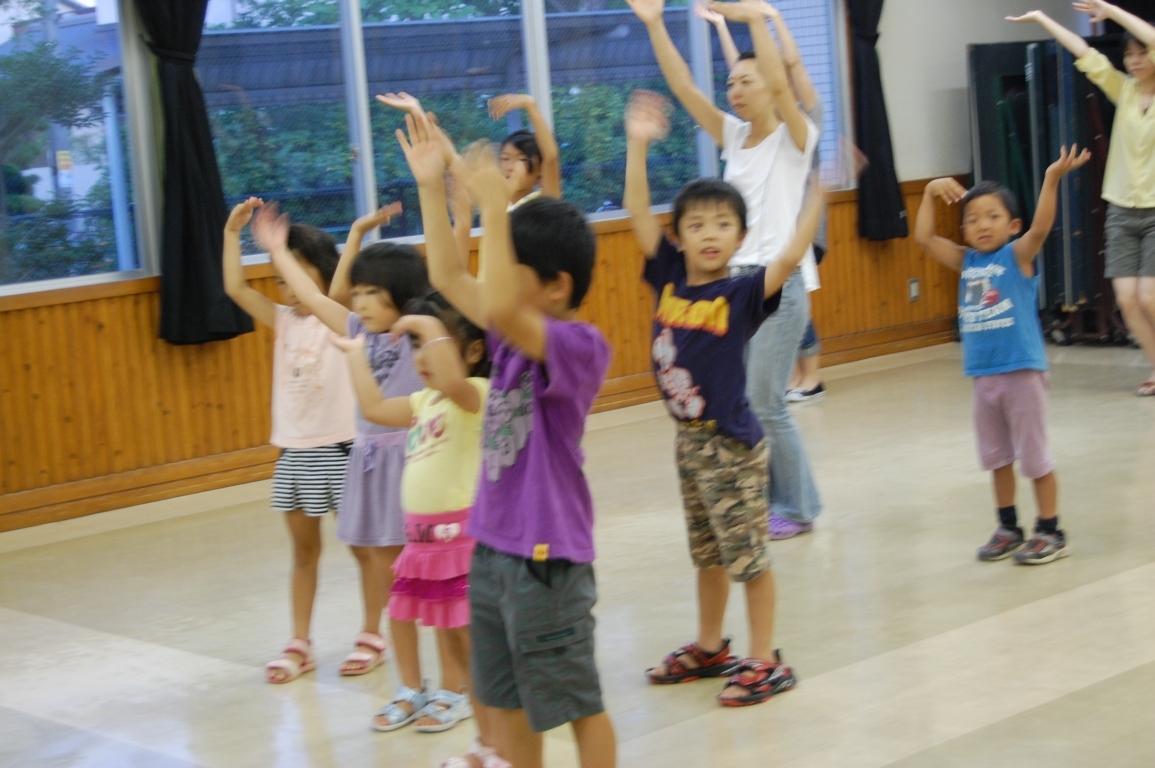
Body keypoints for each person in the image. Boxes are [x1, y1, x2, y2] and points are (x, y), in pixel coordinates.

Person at [396, 111, 617, 768]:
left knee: (576, 703)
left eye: (507, 265)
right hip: (492, 549)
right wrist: (433, 187)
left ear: (556, 286)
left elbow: (492, 302)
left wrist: (495, 208)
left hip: (547, 560)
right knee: (508, 703)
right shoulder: (508, 337)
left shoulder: (577, 345)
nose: (493, 275)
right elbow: (446, 276)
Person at [624, 90, 821, 706]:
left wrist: (816, 197)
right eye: (696, 225)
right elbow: (636, 210)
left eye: (723, 225)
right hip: (689, 445)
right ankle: (711, 647)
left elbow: (790, 256)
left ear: (740, 236)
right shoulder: (669, 276)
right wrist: (637, 144)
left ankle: (764, 660)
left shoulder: (741, 294)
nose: (709, 234)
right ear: (679, 236)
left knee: (748, 558)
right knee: (707, 554)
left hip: (732, 448)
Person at [630, 0, 823, 539]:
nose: (734, 90)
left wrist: (756, 19)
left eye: (746, 81)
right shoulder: (734, 137)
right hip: (731, 287)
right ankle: (766, 498)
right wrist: (654, 25)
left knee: (766, 400)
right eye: (731, 82)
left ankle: (798, 508)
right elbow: (686, 88)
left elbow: (783, 85)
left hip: (777, 284)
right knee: (744, 399)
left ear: (772, 87)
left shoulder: (796, 137)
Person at [251, 203, 429, 683]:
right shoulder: (355, 330)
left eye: (373, 292)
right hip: (368, 461)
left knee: (411, 568)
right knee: (382, 562)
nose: (361, 301)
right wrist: (276, 250)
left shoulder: (422, 335)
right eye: (360, 291)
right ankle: (391, 660)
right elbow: (312, 295)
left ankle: (426, 667)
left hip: (410, 461)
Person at [914, 146, 1091, 564]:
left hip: (1022, 375)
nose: (982, 224)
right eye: (972, 219)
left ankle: (1050, 530)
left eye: (992, 216)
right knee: (997, 459)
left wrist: (1051, 178)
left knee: (1035, 459)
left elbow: (1042, 227)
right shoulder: (967, 262)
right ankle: (1008, 527)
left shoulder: (1017, 256)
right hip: (984, 378)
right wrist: (928, 192)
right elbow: (923, 238)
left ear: (1012, 226)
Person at [334, 296, 496, 748]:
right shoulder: (423, 401)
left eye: (430, 345)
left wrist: (425, 321)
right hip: (421, 545)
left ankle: (467, 704)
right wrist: (355, 355)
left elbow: (452, 378)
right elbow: (373, 408)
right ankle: (418, 692)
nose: (421, 358)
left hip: (459, 543)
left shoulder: (476, 395)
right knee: (422, 621)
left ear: (474, 352)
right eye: (416, 347)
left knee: (462, 636)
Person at [221, 198, 357, 684]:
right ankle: (300, 641)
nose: (287, 289)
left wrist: (279, 249)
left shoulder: (341, 315)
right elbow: (235, 287)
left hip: (342, 448)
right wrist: (232, 234)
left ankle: (372, 632)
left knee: (364, 549)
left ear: (322, 272)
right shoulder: (283, 321)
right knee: (303, 553)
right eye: (280, 280)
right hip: (295, 453)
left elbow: (318, 294)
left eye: (295, 276)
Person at [1009, 4, 1155, 396]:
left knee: (1150, 296)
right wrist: (1042, 18)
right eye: (1129, 54)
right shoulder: (1124, 91)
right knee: (1127, 299)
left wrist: (1110, 9)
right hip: (1122, 208)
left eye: (1142, 53)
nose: (1135, 60)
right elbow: (1083, 52)